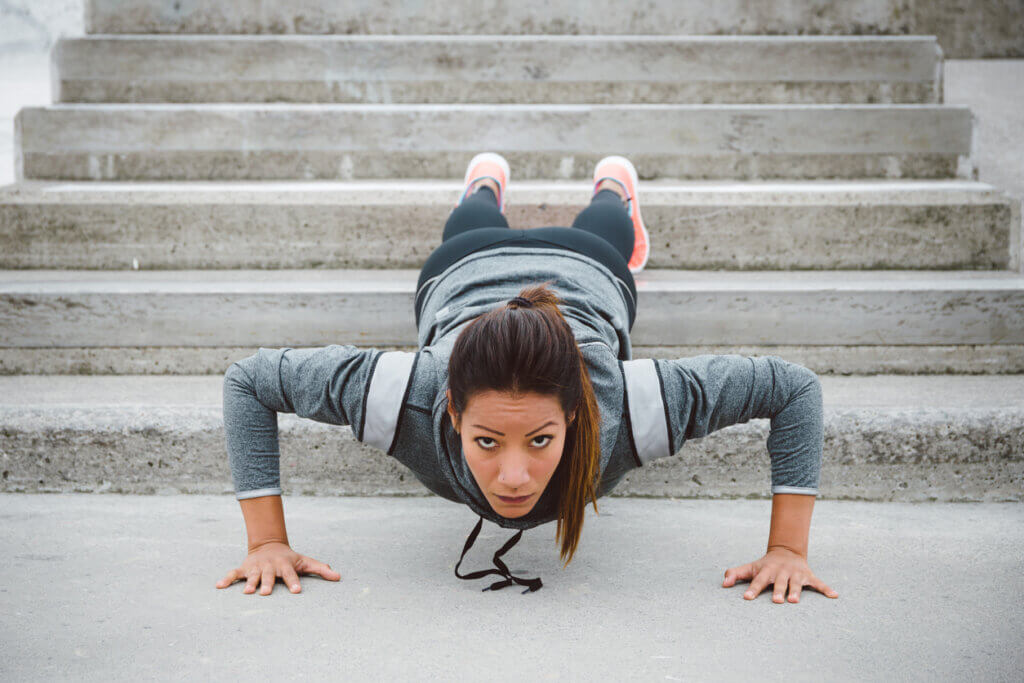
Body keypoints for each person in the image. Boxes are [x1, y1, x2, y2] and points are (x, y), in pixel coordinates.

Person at [216, 153, 839, 602]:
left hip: (584, 267)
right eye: (487, 441)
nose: (513, 478)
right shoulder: (404, 396)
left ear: (574, 413)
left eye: (539, 440)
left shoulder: (633, 404)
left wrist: (787, 550)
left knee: (604, 229)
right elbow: (249, 382)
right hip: (463, 268)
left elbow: (794, 389)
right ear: (452, 412)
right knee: (470, 227)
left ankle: (614, 187)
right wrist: (265, 541)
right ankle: (483, 184)